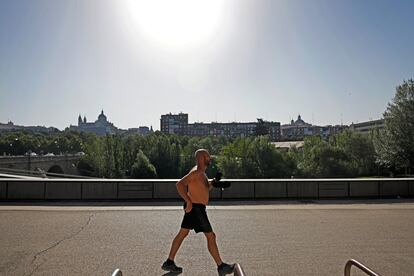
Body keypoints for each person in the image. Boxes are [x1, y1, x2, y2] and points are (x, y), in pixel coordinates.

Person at [161, 149, 235, 275]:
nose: (209, 158)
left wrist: (215, 182)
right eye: (207, 156)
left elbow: (205, 188)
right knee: (211, 236)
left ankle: (169, 262)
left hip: (196, 208)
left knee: (182, 234)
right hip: (196, 209)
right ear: (201, 158)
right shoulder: (196, 172)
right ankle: (221, 266)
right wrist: (188, 201)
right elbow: (179, 184)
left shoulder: (202, 173)